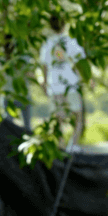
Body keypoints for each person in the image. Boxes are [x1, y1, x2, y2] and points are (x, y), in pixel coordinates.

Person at [39, 16, 87, 150]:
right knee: (78, 116)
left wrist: (44, 82)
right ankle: (73, 145)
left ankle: (61, 146)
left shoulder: (47, 44)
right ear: (64, 25)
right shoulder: (71, 41)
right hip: (71, 84)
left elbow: (44, 65)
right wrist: (83, 78)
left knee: (58, 119)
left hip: (55, 85)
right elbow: (79, 62)